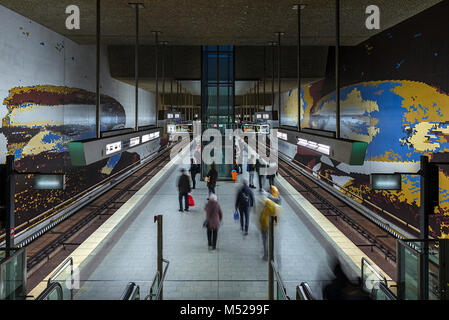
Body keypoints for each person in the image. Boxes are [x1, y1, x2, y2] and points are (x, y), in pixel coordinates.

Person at [258, 186, 280, 260]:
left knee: (265, 239)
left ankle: (266, 254)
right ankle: (270, 254)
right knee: (270, 240)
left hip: (264, 225)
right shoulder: (275, 205)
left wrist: (260, 221)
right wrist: (275, 224)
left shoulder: (266, 202)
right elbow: (276, 216)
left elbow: (262, 213)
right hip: (270, 226)